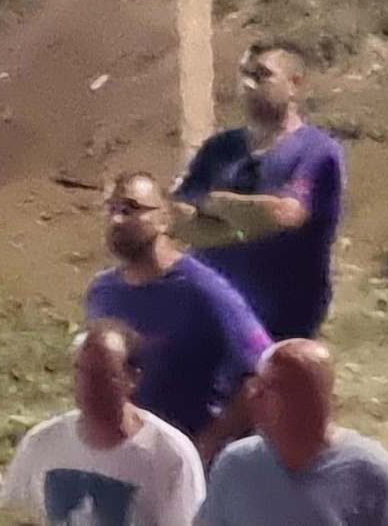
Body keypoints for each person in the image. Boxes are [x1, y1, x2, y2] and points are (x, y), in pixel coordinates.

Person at [87, 171, 272, 452]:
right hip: (126, 456)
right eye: (111, 209)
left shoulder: (203, 290)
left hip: (191, 458)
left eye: (131, 209)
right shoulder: (102, 293)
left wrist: (206, 445)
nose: (117, 220)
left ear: (165, 219)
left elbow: (264, 372)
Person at [176, 43, 347, 343]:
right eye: (245, 74)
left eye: (262, 75)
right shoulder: (219, 148)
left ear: (294, 84)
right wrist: (243, 225)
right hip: (210, 316)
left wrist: (214, 203)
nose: (249, 85)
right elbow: (177, 217)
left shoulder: (317, 151)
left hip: (282, 321)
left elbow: (284, 215)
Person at [2, 321, 210, 526]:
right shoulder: (41, 443)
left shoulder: (170, 455)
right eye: (82, 371)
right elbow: (20, 517)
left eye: (103, 375)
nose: (88, 384)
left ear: (132, 379)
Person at [203, 340, 388, 526]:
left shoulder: (367, 473)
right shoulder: (236, 465)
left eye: (272, 387)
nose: (253, 396)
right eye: (256, 383)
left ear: (312, 401)